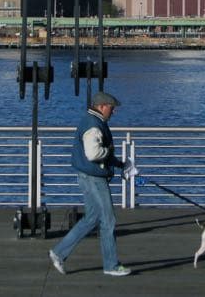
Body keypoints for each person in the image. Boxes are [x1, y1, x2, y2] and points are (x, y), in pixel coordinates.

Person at [49, 91, 137, 277]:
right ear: (102, 106)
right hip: (94, 178)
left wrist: (121, 165)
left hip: (86, 176)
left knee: (91, 218)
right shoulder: (93, 125)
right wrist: (109, 152)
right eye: (112, 108)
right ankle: (111, 265)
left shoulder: (92, 121)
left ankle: (58, 252)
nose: (113, 112)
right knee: (108, 220)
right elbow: (93, 153)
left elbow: (99, 154)